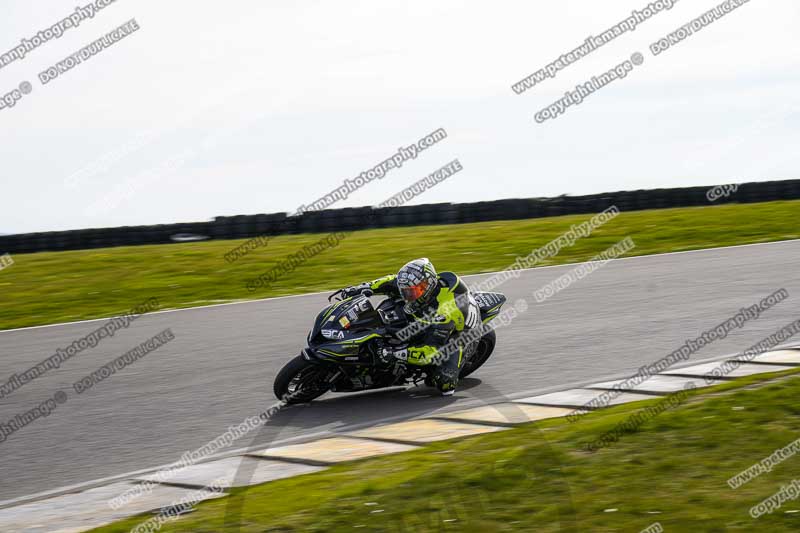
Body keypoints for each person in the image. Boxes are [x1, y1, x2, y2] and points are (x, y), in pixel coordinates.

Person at [341, 258, 480, 395]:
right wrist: (360, 288)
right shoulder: (418, 285)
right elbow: (390, 280)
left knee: (444, 383)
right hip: (430, 314)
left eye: (411, 292)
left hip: (460, 334)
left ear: (427, 287)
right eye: (405, 291)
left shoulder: (444, 313)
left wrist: (395, 354)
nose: (407, 296)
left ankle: (451, 374)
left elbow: (430, 352)